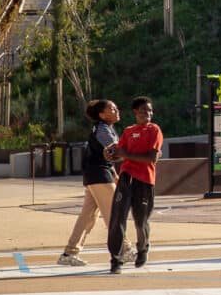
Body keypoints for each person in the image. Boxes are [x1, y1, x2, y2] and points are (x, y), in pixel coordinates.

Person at [59, 100, 136, 267]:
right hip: (99, 176)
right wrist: (138, 152)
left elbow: (106, 157)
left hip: (96, 175)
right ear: (102, 115)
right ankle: (125, 250)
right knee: (114, 214)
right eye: (112, 108)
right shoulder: (102, 130)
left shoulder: (105, 128)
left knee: (88, 217)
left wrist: (115, 173)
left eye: (116, 107)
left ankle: (69, 253)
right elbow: (114, 151)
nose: (117, 110)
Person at [106, 96, 162, 274]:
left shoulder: (154, 130)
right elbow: (119, 153)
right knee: (117, 219)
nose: (148, 114)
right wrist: (112, 155)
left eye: (150, 111)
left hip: (145, 181)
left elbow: (151, 158)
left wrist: (125, 154)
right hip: (126, 178)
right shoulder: (128, 131)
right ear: (135, 112)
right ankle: (116, 260)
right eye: (144, 110)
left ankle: (143, 248)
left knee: (140, 220)